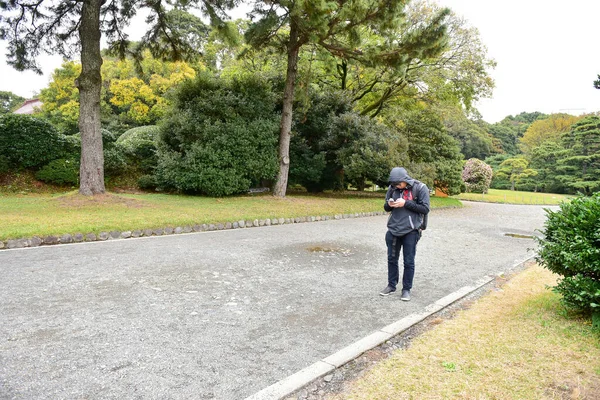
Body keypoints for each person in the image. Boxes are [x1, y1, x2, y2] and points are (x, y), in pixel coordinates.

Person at [380, 167, 430, 301]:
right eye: (393, 184)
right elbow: (386, 207)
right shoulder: (392, 189)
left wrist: (406, 203)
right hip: (393, 229)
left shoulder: (420, 188)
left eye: (398, 184)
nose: (396, 186)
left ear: (405, 180)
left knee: (408, 261)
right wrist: (389, 204)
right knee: (391, 259)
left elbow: (425, 209)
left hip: (411, 230)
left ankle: (406, 289)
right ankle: (391, 285)